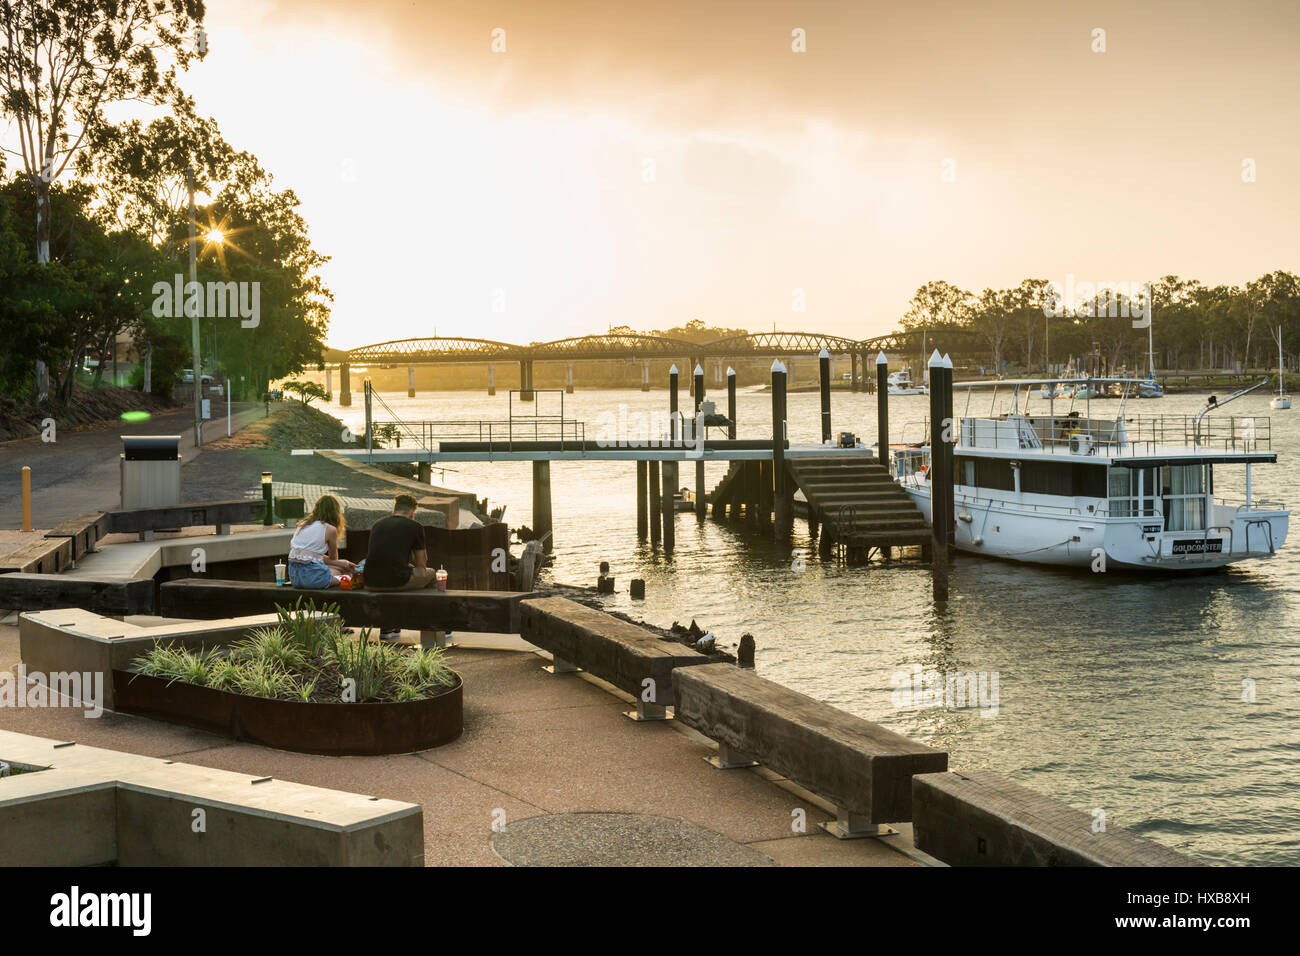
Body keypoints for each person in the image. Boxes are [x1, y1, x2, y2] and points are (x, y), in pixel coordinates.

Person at [364, 494, 439, 591]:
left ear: (393, 512)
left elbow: (380, 555)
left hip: (369, 582)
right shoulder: (415, 526)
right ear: (412, 514)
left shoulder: (377, 525)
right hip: (397, 582)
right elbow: (421, 564)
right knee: (431, 573)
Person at [286, 494, 356, 588]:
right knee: (346, 574)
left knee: (339, 567)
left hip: (295, 578)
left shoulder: (302, 524)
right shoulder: (330, 529)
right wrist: (343, 564)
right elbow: (333, 558)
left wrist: (344, 563)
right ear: (336, 512)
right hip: (314, 579)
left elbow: (310, 555)